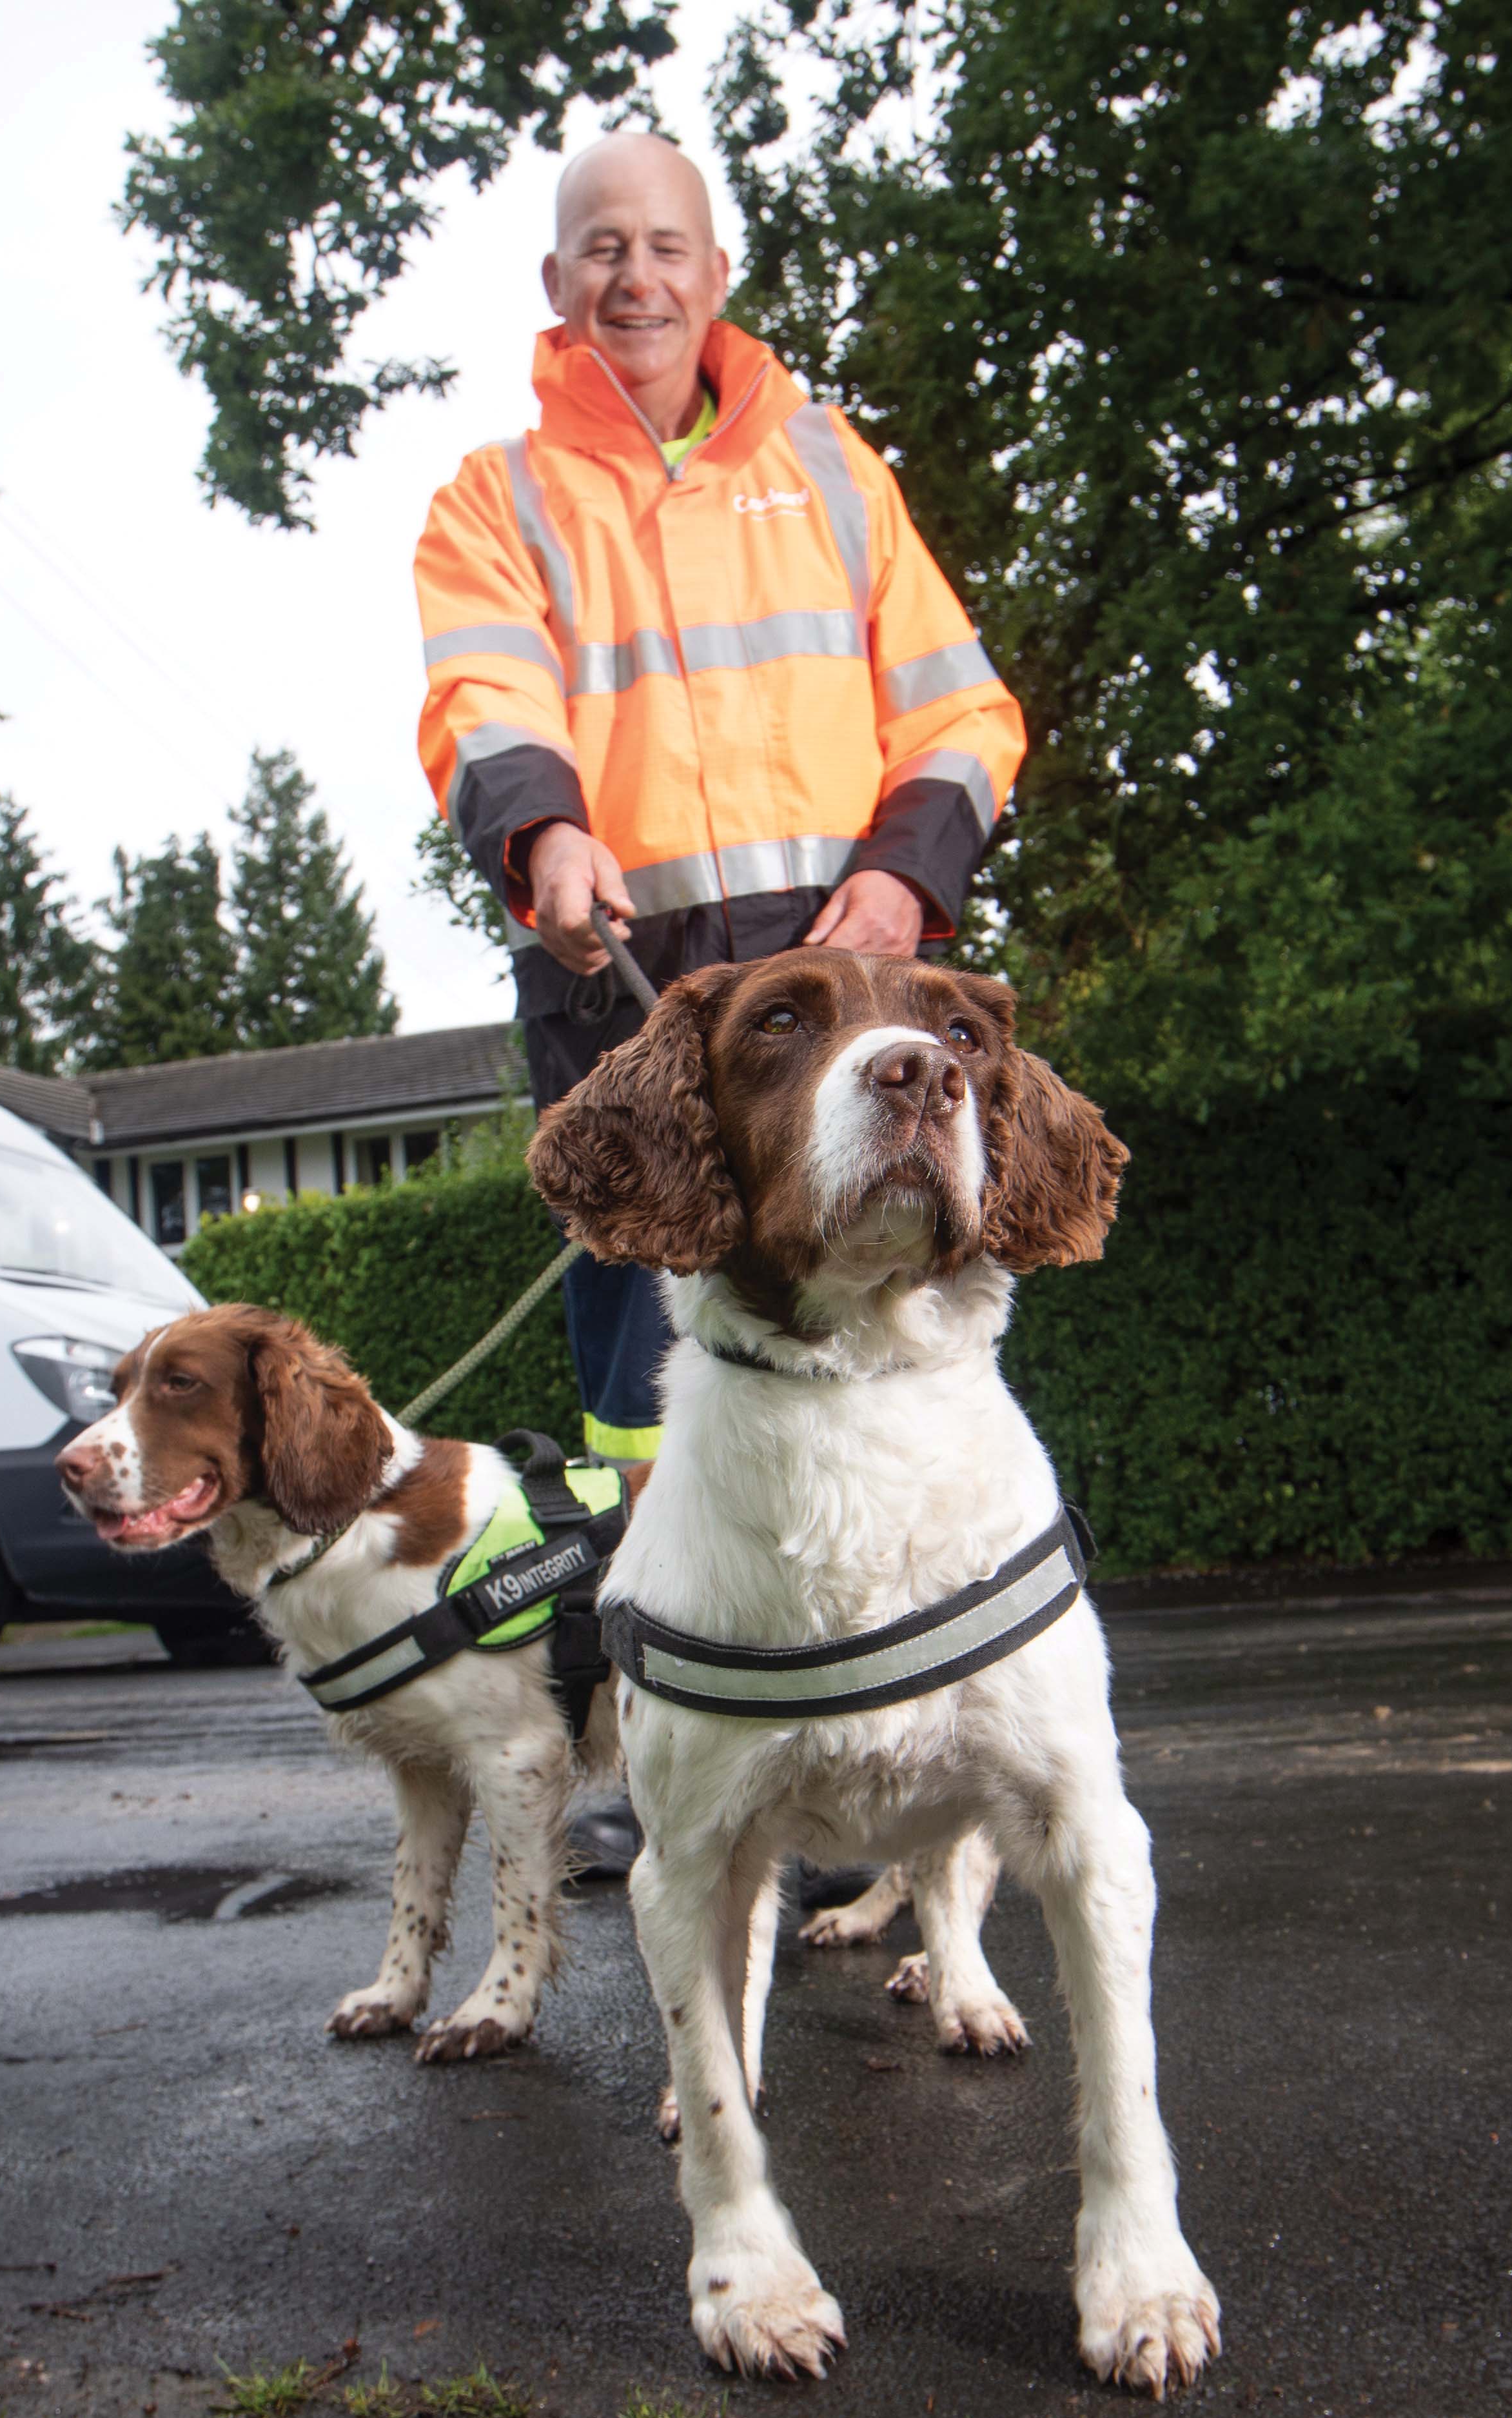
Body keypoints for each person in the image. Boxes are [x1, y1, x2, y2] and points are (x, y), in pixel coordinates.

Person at [413, 129, 1026, 1481]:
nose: (637, 277)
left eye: (666, 245)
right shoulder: (496, 497)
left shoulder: (834, 469)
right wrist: (543, 832)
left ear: (717, 271)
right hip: (622, 986)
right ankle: (657, 1631)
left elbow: (965, 711)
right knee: (643, 1361)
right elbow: (483, 699)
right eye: (604, 247)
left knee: (896, 1310)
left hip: (845, 972)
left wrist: (907, 879)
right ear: (555, 276)